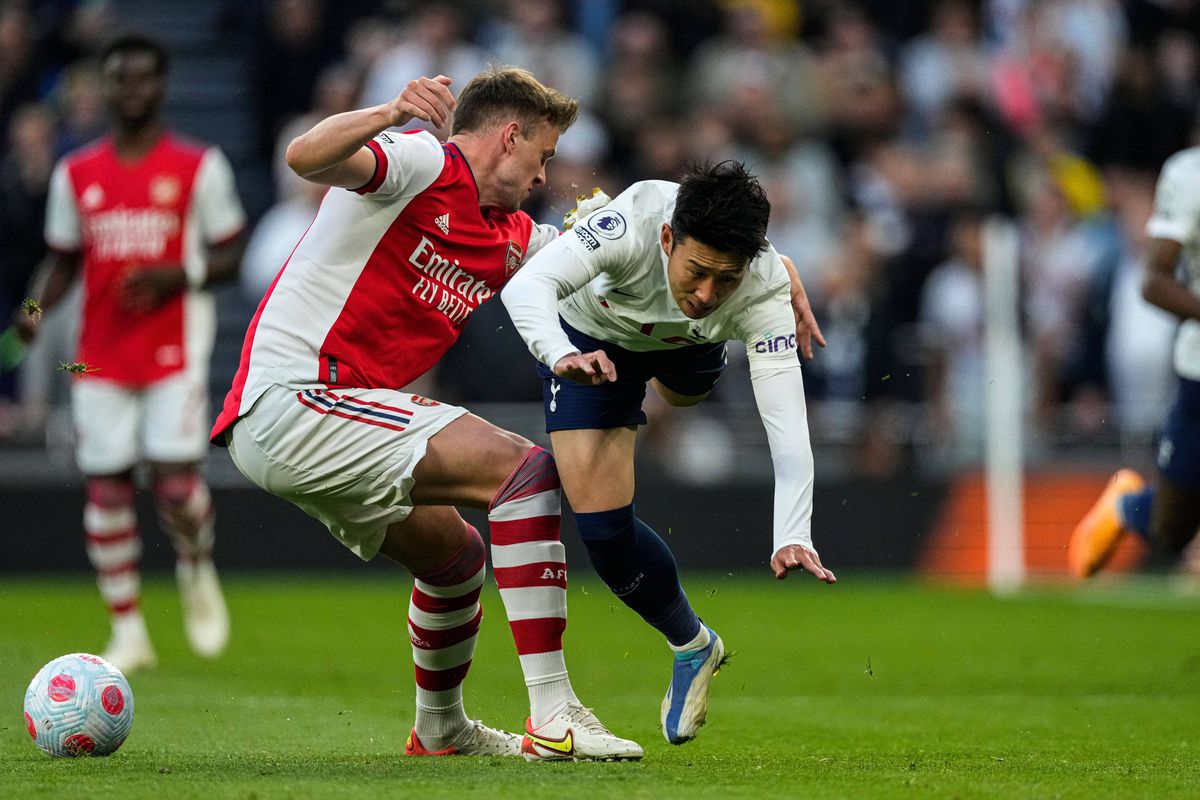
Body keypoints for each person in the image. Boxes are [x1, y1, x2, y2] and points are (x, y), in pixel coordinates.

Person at [210, 67, 642, 761]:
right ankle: (556, 712)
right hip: (294, 397)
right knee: (524, 473)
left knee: (456, 558)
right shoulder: (420, 159)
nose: (543, 174)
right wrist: (386, 110)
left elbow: (605, 273)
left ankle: (441, 730)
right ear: (510, 136)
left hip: (320, 420)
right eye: (545, 154)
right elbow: (304, 156)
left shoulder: (511, 238)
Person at [500, 161, 836, 746]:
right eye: (699, 271)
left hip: (686, 350)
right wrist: (557, 354)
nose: (706, 294)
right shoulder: (631, 222)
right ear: (667, 238)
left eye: (726, 279)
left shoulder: (759, 289)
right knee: (602, 535)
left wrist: (794, 531)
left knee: (681, 398)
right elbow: (526, 286)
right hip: (593, 340)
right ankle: (694, 644)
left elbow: (786, 422)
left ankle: (702, 337)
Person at [14, 34, 246, 672]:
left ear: (162, 85)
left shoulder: (199, 166)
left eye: (143, 79)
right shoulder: (77, 173)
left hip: (175, 342)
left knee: (174, 483)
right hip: (95, 355)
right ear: (107, 87)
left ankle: (196, 563)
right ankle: (128, 628)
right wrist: (33, 315)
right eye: (120, 79)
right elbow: (60, 263)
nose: (132, 90)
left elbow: (231, 252)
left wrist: (182, 275)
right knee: (108, 484)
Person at [1069, 146, 1200, 578]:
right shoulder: (1189, 174)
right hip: (1197, 369)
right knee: (1171, 527)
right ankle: (1129, 506)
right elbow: (1154, 282)